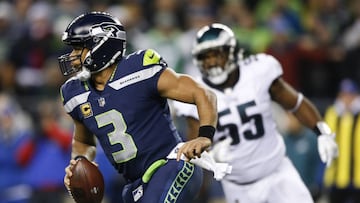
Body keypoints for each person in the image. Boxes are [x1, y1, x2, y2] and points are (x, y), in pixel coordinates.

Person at [58, 12, 219, 203]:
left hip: (170, 165)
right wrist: (79, 164)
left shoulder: (140, 69)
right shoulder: (74, 92)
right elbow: (84, 141)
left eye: (79, 48)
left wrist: (205, 135)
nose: (73, 56)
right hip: (135, 185)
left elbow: (203, 93)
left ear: (101, 44)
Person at [173, 23, 338, 203]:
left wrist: (322, 131)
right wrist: (210, 157)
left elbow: (296, 103)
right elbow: (195, 151)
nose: (211, 62)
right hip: (238, 186)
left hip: (278, 174)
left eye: (217, 54)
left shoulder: (258, 71)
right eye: (205, 57)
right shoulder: (195, 93)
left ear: (231, 52)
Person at [322, 78, 360, 203]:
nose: (347, 99)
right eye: (343, 95)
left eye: (350, 95)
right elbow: (327, 142)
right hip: (336, 178)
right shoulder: (332, 114)